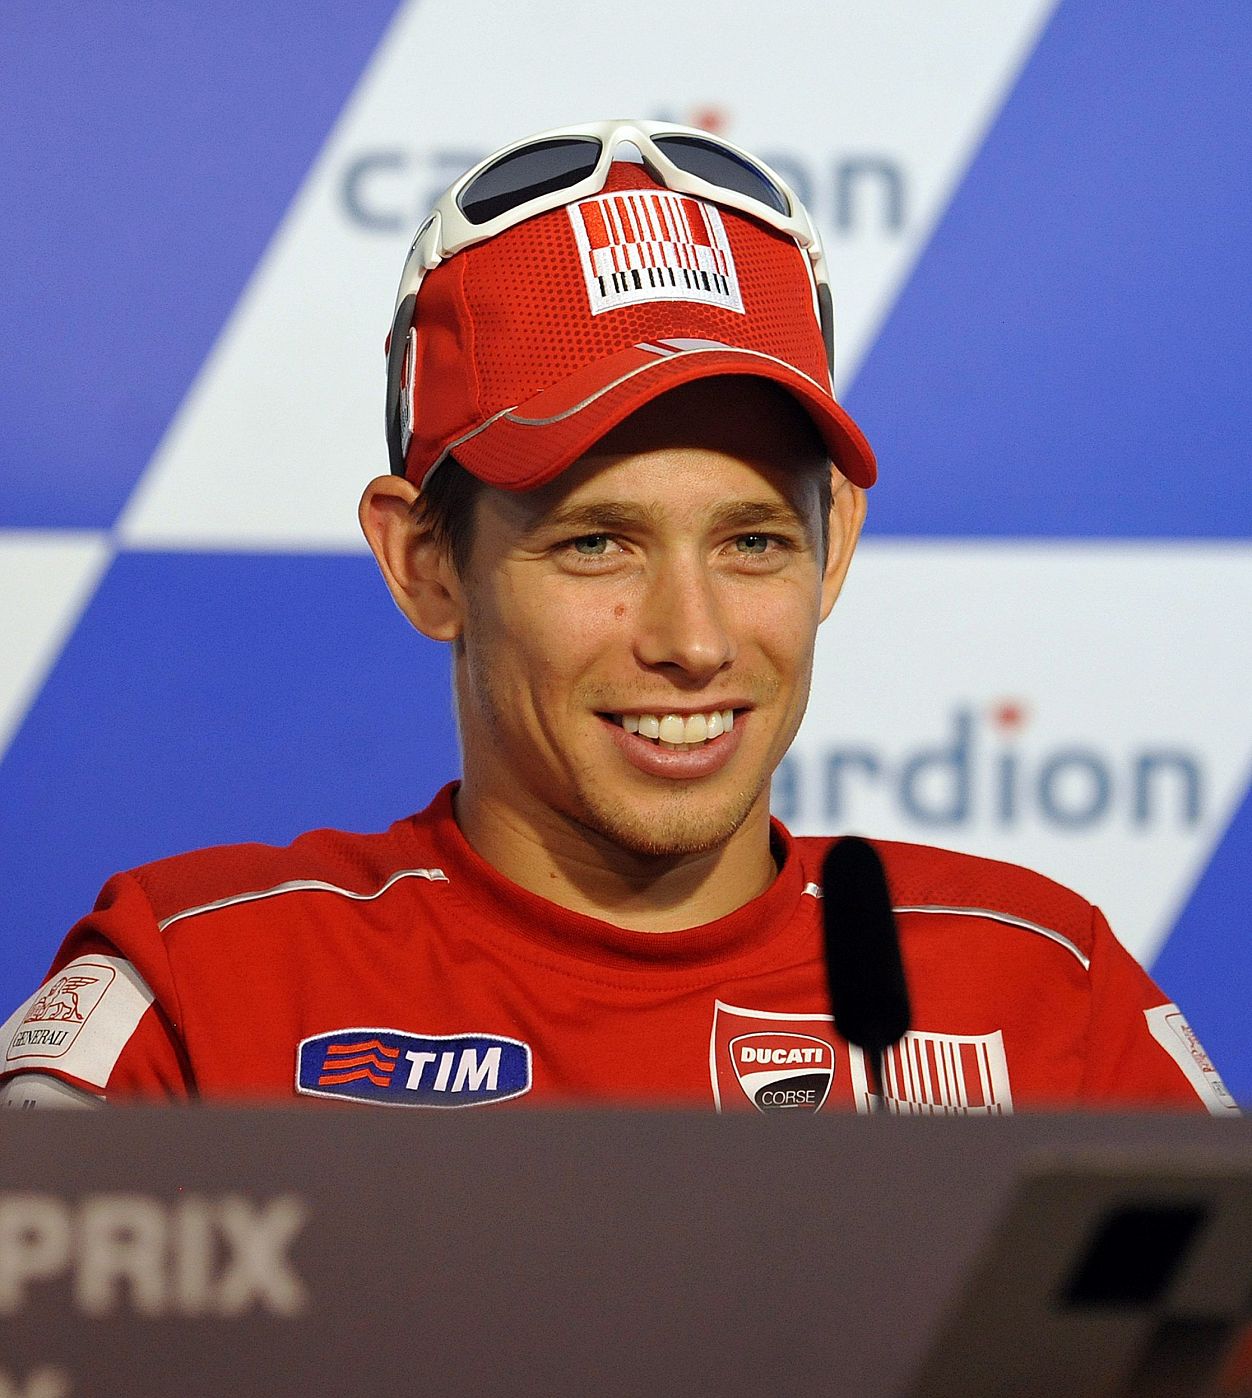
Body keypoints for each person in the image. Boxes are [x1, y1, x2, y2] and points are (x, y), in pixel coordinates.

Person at [0, 121, 1235, 1114]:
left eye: (752, 540)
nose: (692, 640)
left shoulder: (1041, 989)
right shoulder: (202, 990)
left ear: (835, 545)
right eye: (597, 541)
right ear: (424, 559)